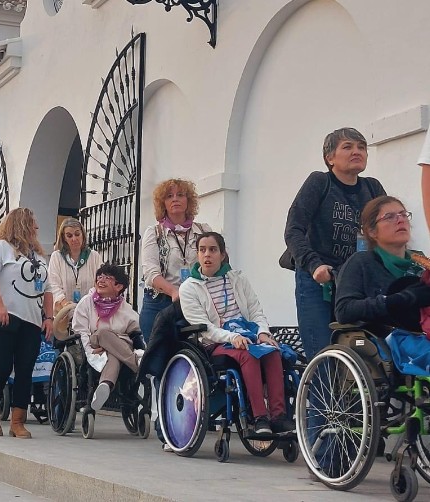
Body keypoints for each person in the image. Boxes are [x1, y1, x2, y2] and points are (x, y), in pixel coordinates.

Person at [286, 127, 386, 359]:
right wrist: (314, 265)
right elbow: (294, 230)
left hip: (356, 280)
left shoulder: (372, 188)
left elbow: (384, 232)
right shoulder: (320, 182)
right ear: (330, 157)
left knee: (362, 347)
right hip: (318, 278)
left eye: (362, 147)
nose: (357, 151)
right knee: (322, 349)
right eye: (347, 147)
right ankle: (319, 396)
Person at [178, 232, 292, 436]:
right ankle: (259, 418)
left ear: (222, 254)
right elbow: (204, 326)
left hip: (247, 335)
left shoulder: (238, 279)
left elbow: (256, 311)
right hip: (215, 342)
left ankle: (278, 417)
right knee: (248, 354)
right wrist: (232, 337)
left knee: (272, 351)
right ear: (197, 255)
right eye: (202, 250)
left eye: (213, 250)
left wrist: (263, 333)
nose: (207, 255)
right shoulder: (189, 288)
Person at [334, 197, 430, 369]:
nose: (400, 219)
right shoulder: (361, 262)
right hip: (387, 341)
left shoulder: (422, 264)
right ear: (371, 232)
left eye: (403, 214)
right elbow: (344, 310)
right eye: (389, 217)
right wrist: (398, 300)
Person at [0, 207, 52, 439]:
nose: (37, 228)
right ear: (21, 225)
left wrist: (49, 317)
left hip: (31, 320)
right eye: (33, 223)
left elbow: (48, 289)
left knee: (25, 371)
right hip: (3, 317)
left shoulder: (39, 257)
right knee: (1, 367)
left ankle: (18, 420)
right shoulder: (1, 248)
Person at [138, 178, 213, 338]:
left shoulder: (203, 230)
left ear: (188, 200)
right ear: (163, 203)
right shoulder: (154, 233)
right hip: (160, 302)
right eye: (169, 196)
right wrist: (174, 292)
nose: (175, 199)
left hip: (196, 300)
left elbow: (214, 263)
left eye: (180, 195)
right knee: (158, 355)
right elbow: (151, 274)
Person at [71, 264, 140, 412]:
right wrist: (89, 351)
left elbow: (136, 331)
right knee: (103, 333)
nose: (101, 280)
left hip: (118, 349)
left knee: (113, 355)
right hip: (96, 344)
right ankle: (136, 364)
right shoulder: (86, 302)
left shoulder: (125, 308)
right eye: (99, 277)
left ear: (118, 286)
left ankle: (105, 385)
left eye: (107, 278)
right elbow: (81, 332)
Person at [48, 218, 101, 310]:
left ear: (83, 235)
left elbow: (100, 282)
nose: (74, 239)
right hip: (64, 312)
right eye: (69, 236)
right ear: (64, 238)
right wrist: (64, 303)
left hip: (90, 310)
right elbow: (53, 284)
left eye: (77, 234)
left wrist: (88, 303)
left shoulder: (94, 256)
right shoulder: (57, 257)